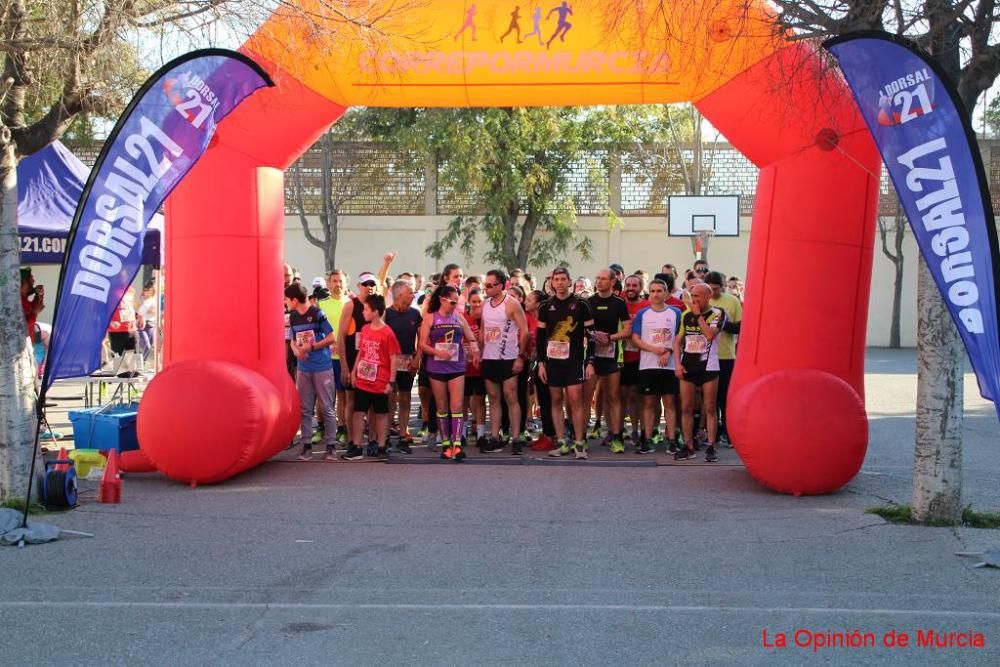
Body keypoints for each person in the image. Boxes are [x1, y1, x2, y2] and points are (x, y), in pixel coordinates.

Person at [538, 267, 595, 459]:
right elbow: (539, 338)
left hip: (574, 360)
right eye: (557, 279)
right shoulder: (545, 306)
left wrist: (590, 362)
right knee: (555, 399)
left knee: (575, 400)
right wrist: (541, 363)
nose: (560, 282)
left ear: (570, 282)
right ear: (552, 282)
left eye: (564, 279)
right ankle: (562, 442)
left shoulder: (581, 304)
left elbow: (591, 336)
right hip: (553, 361)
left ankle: (579, 443)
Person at [419, 284, 480, 461]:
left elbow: (471, 337)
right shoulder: (431, 318)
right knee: (442, 407)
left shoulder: (459, 318)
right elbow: (422, 344)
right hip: (436, 367)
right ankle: (446, 444)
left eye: (457, 302)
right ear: (442, 300)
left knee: (457, 406)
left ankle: (457, 445)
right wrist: (438, 352)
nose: (455, 305)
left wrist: (475, 351)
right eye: (452, 302)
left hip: (457, 367)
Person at [284, 282, 338, 461]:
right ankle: (306, 445)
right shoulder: (293, 317)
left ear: (294, 299)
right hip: (303, 369)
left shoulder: (317, 314)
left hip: (322, 366)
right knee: (305, 408)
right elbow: (292, 339)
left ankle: (331, 446)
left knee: (327, 407)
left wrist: (312, 347)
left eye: (286, 299)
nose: (285, 303)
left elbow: (332, 337)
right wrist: (296, 351)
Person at [673, 283, 727, 463]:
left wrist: (697, 315)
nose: (694, 300)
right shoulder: (685, 315)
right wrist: (677, 365)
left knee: (710, 407)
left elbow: (710, 335)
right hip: (688, 364)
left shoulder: (718, 313)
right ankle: (688, 445)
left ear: (707, 297)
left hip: (709, 365)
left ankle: (711, 446)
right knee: (686, 407)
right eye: (692, 296)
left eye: (698, 296)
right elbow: (678, 341)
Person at [343, 294, 400, 460]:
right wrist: (354, 372)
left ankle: (382, 445)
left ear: (375, 312)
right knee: (358, 412)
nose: (363, 312)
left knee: (381, 413)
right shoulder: (366, 329)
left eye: (366, 309)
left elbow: (393, 357)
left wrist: (391, 381)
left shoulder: (387, 333)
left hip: (380, 381)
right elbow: (361, 351)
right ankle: (357, 446)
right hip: (363, 380)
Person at [479, 269, 530, 454]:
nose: (486, 288)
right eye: (485, 285)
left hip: (508, 358)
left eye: (490, 285)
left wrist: (520, 356)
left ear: (501, 286)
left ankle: (516, 438)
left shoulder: (512, 304)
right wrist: (480, 352)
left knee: (511, 397)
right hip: (489, 358)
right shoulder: (485, 304)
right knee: (493, 398)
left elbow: (524, 331)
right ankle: (494, 436)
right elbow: (483, 330)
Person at [631, 279, 683, 455]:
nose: (656, 294)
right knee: (648, 403)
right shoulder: (642, 314)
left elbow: (679, 338)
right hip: (648, 365)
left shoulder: (676, 313)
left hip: (669, 367)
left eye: (659, 291)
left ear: (667, 293)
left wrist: (667, 352)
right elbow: (636, 339)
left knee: (670, 403)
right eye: (652, 291)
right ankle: (646, 439)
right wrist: (655, 350)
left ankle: (672, 440)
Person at [586, 268, 632, 453]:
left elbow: (628, 330)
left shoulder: (619, 303)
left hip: (611, 356)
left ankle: (617, 435)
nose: (599, 281)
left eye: (603, 279)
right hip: (591, 356)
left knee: (614, 396)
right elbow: (580, 327)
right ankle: (580, 437)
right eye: (597, 278)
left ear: (612, 282)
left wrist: (610, 338)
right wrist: (592, 335)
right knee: (587, 397)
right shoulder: (588, 302)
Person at [337, 272, 378, 446]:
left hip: (372, 359)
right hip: (353, 358)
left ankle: (374, 440)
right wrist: (345, 366)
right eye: (365, 284)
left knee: (372, 403)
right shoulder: (350, 306)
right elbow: (340, 337)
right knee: (351, 399)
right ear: (358, 286)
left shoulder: (377, 305)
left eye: (372, 283)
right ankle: (351, 438)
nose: (369, 287)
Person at [385, 279, 423, 453]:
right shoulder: (387, 314)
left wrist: (417, 359)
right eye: (410, 292)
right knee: (390, 398)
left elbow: (422, 339)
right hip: (390, 363)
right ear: (400, 294)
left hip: (408, 362)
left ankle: (402, 436)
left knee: (405, 398)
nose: (413, 295)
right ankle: (384, 437)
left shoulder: (415, 314)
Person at [704, 271, 742, 445]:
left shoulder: (732, 301)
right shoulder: (703, 300)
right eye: (710, 289)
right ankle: (713, 431)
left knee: (725, 396)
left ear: (723, 286)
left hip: (726, 355)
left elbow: (740, 327)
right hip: (705, 355)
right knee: (710, 398)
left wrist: (722, 322)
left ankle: (728, 430)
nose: (714, 293)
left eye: (717, 289)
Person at [318, 269, 352, 444]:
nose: (337, 285)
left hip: (346, 357)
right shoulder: (321, 304)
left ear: (347, 283)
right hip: (326, 358)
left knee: (344, 395)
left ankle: (342, 427)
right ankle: (323, 427)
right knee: (325, 396)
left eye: (340, 281)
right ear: (329, 283)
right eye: (334, 281)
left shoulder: (351, 304)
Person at [620, 273, 649, 444]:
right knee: (620, 395)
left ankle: (637, 430)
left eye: (634, 285)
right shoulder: (619, 305)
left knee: (637, 396)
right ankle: (616, 430)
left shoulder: (646, 307)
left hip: (641, 357)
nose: (631, 288)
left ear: (640, 288)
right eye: (628, 285)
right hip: (621, 357)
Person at [463, 289, 488, 449]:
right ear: (469, 302)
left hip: (482, 366)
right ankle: (462, 433)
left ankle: (480, 433)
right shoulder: (463, 318)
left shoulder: (488, 318)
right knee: (463, 400)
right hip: (465, 366)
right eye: (474, 301)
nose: (477, 304)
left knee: (479, 399)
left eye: (479, 301)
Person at [108, 287, 142, 377]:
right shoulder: (111, 289)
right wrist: (110, 321)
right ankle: (115, 374)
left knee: (136, 351)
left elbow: (130, 306)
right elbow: (103, 308)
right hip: (117, 330)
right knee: (117, 355)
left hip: (132, 328)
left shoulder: (131, 290)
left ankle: (132, 373)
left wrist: (138, 315)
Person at [136, 281, 158, 366]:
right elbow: (138, 312)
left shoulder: (154, 300)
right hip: (142, 326)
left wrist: (152, 311)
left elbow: (156, 311)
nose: (144, 292)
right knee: (146, 346)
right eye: (144, 290)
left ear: (152, 290)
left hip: (152, 325)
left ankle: (142, 364)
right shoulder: (143, 301)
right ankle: (140, 364)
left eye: (146, 290)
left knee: (149, 347)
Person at [20, 267, 45, 339]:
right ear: (24, 281)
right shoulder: (14, 302)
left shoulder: (24, 299)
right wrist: (34, 312)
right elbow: (20, 328)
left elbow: (37, 306)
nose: (34, 281)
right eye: (31, 278)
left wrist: (39, 295)